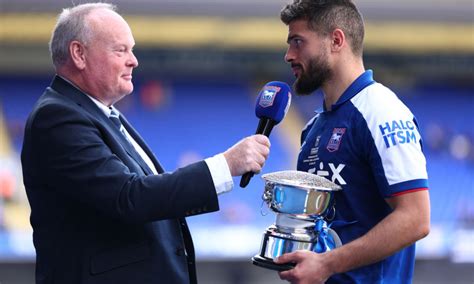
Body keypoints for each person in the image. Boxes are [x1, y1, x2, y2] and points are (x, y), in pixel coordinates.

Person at [21, 3, 270, 284]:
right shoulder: (58, 117)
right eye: (121, 50)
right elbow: (129, 198)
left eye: (132, 49)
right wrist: (225, 165)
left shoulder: (102, 114)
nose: (134, 61)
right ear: (79, 54)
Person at [274, 0, 430, 283]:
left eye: (298, 42)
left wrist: (326, 265)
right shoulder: (312, 129)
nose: (288, 55)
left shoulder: (382, 112)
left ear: (336, 40)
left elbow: (415, 219)